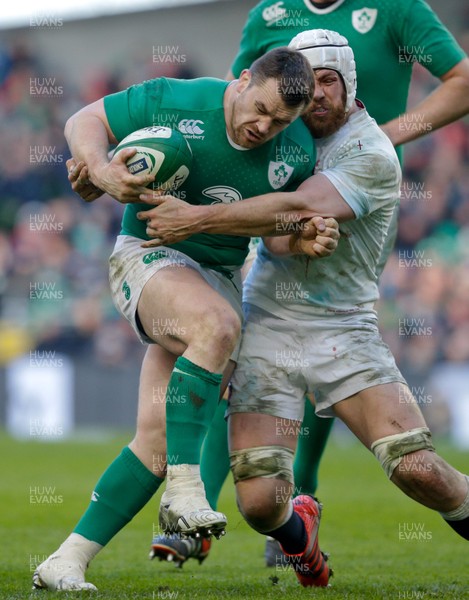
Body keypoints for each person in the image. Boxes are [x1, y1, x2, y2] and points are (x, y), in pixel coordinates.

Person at [141, 30, 469, 587]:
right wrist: (100, 168)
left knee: (415, 468)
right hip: (268, 323)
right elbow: (271, 229)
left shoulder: (371, 152)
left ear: (349, 85)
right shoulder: (280, 136)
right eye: (306, 83)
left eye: (328, 82)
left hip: (345, 329)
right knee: (261, 505)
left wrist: (194, 219)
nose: (316, 95)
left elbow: (296, 204)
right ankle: (302, 535)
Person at [33, 47, 339, 592]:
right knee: (217, 327)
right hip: (147, 257)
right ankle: (186, 489)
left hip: (217, 278)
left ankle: (66, 560)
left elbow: (273, 236)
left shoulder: (294, 151)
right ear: (243, 80)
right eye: (259, 108)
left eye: (279, 121)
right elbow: (86, 120)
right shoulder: (177, 101)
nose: (262, 127)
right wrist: (102, 171)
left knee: (154, 442)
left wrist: (304, 238)